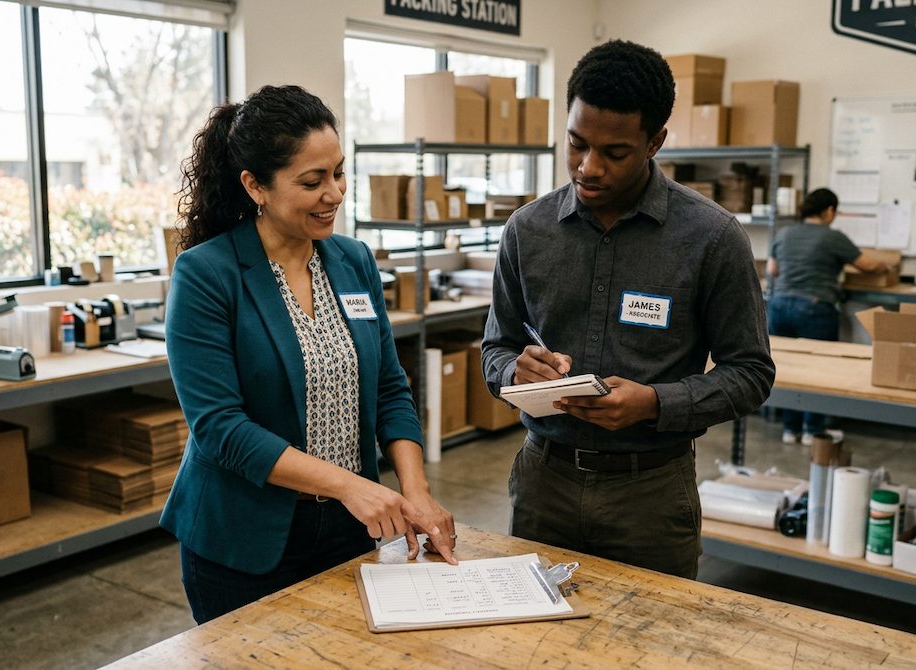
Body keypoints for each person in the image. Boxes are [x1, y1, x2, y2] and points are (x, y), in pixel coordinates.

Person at [162, 85, 456, 625]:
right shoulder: (207, 275)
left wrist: (415, 492)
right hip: (246, 540)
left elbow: (389, 386)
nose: (335, 194)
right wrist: (353, 486)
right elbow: (220, 428)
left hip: (350, 528)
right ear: (256, 186)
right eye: (312, 181)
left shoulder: (352, 261)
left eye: (338, 173)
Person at [480, 40, 775, 580]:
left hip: (651, 495)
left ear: (655, 142)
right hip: (545, 482)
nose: (588, 167)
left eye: (614, 153)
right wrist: (511, 371)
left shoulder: (711, 238)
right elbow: (495, 348)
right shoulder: (528, 231)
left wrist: (656, 403)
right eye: (576, 144)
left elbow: (751, 373)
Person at [767, 187, 889, 445]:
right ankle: (813, 431)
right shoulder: (832, 237)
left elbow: (772, 269)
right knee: (817, 369)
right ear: (829, 211)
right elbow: (867, 266)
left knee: (788, 368)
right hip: (814, 307)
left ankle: (791, 429)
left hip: (779, 306)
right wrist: (886, 266)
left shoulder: (784, 233)